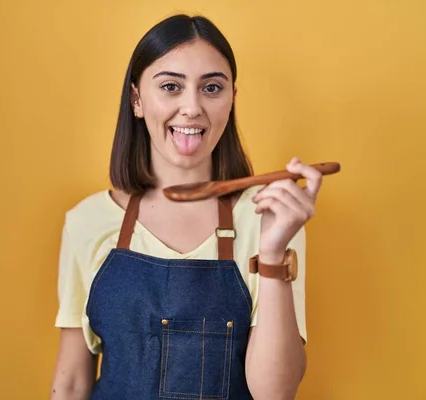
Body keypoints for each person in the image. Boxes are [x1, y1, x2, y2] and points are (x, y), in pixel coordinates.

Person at [50, 13, 323, 400]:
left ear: (231, 99)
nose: (192, 107)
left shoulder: (268, 217)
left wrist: (274, 251)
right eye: (171, 87)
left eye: (212, 87)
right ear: (137, 100)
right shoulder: (87, 222)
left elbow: (275, 393)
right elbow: (72, 382)